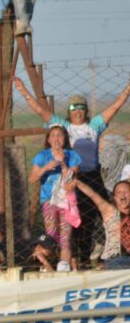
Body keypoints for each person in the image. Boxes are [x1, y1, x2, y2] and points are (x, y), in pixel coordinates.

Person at [14, 77, 130, 267]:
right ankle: (79, 262)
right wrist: (24, 91)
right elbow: (41, 112)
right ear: (68, 112)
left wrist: (127, 91)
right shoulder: (63, 127)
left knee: (108, 215)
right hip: (71, 178)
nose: (77, 111)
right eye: (73, 108)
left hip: (92, 177)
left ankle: (117, 251)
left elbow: (115, 108)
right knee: (78, 223)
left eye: (81, 107)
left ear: (86, 110)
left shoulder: (94, 126)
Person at [28, 125, 81, 272]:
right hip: (49, 200)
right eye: (53, 135)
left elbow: (71, 180)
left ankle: (63, 265)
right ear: (48, 139)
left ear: (65, 139)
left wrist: (63, 162)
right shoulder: (42, 156)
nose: (56, 139)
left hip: (66, 201)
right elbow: (32, 179)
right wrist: (45, 168)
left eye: (60, 135)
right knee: (51, 236)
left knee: (65, 237)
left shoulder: (73, 156)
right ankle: (48, 265)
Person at [74, 179, 130, 270]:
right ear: (114, 197)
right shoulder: (110, 211)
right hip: (115, 258)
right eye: (119, 192)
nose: (123, 195)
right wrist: (76, 182)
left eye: (126, 192)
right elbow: (93, 195)